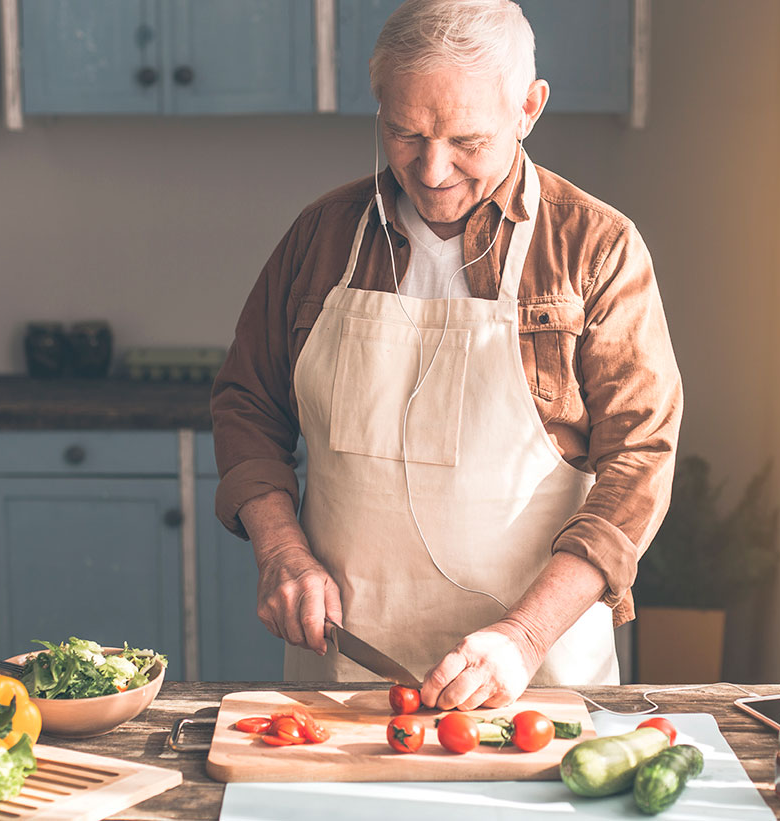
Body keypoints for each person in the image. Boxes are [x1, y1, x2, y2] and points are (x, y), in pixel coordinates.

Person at [210, 0, 682, 711]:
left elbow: (640, 458)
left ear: (528, 107)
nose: (431, 171)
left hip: (534, 675)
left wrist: (524, 634)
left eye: (467, 140)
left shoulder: (596, 248)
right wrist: (281, 548)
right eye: (404, 133)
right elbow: (248, 403)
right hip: (345, 673)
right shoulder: (321, 237)